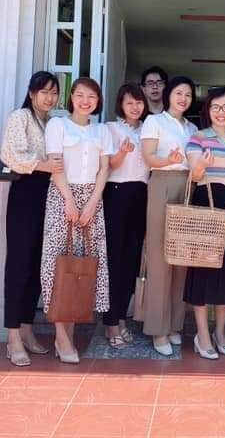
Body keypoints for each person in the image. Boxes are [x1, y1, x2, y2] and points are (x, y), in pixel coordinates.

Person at [41, 77, 113, 363]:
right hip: (62, 195)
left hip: (93, 200)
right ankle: (61, 335)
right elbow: (55, 165)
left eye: (91, 96)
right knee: (58, 263)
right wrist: (69, 201)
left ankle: (68, 334)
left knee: (82, 265)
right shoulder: (58, 125)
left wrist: (92, 203)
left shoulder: (102, 130)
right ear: (71, 97)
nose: (86, 101)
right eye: (80, 95)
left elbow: (104, 170)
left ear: (98, 101)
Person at [0, 71, 63, 366]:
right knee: (19, 264)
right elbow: (12, 155)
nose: (49, 98)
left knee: (40, 263)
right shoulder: (20, 117)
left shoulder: (54, 123)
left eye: (54, 92)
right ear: (31, 93)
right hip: (25, 193)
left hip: (50, 195)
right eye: (44, 92)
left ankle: (26, 327)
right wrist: (45, 165)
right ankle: (12, 335)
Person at [183, 88, 225, 360]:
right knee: (202, 270)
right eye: (215, 107)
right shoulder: (198, 137)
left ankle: (220, 332)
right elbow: (194, 175)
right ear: (208, 111)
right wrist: (202, 164)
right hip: (205, 204)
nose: (221, 112)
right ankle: (202, 335)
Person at [140, 76, 198, 356]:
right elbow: (148, 157)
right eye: (178, 93)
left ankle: (175, 324)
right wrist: (169, 160)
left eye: (188, 94)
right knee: (160, 256)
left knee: (181, 257)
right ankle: (157, 329)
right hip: (162, 182)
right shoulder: (155, 121)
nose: (183, 98)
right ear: (168, 95)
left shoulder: (193, 128)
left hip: (188, 185)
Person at [102, 84, 150, 349]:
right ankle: (110, 321)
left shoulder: (148, 129)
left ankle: (121, 316)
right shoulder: (110, 128)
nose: (135, 107)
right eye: (129, 102)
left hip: (141, 194)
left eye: (139, 102)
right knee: (114, 258)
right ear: (120, 104)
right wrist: (122, 152)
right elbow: (109, 165)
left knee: (131, 260)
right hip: (116, 193)